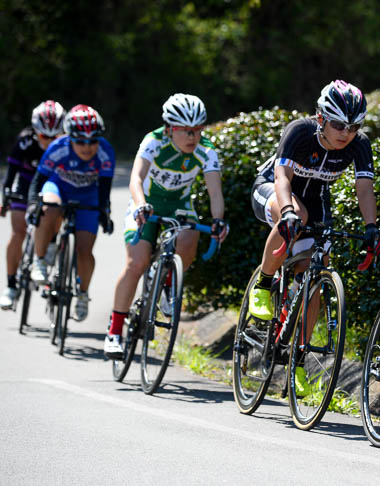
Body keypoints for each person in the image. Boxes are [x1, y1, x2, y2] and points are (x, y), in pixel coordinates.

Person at [103, 93, 228, 359]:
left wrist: (218, 221)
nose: (193, 137)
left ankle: (167, 283)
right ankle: (114, 332)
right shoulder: (154, 141)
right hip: (145, 202)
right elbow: (136, 178)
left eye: (198, 130)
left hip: (178, 204)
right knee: (136, 264)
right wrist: (140, 204)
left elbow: (214, 193)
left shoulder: (207, 151)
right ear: (170, 128)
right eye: (186, 131)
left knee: (190, 236)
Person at [248, 79, 380, 320]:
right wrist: (288, 211)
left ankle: (299, 353)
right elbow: (282, 177)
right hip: (273, 188)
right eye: (338, 125)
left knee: (315, 274)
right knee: (298, 215)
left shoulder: (359, 144)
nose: (346, 133)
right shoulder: (300, 131)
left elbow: (364, 189)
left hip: (315, 199)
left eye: (354, 127)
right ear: (321, 118)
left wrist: (371, 227)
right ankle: (263, 285)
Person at [26, 104, 115, 321]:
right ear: (70, 138)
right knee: (49, 207)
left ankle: (83, 294)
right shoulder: (58, 147)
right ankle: (39, 260)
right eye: (81, 141)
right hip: (59, 188)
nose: (87, 147)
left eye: (93, 140)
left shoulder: (105, 152)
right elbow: (39, 179)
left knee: (85, 250)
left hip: (88, 195)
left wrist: (104, 212)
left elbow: (104, 188)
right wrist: (32, 205)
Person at [0, 101, 65, 309]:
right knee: (18, 232)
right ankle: (10, 285)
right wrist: (6, 197)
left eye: (54, 137)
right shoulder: (24, 142)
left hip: (53, 187)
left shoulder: (66, 145)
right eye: (44, 137)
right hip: (26, 185)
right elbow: (10, 174)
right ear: (36, 131)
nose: (49, 142)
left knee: (56, 215)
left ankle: (49, 251)